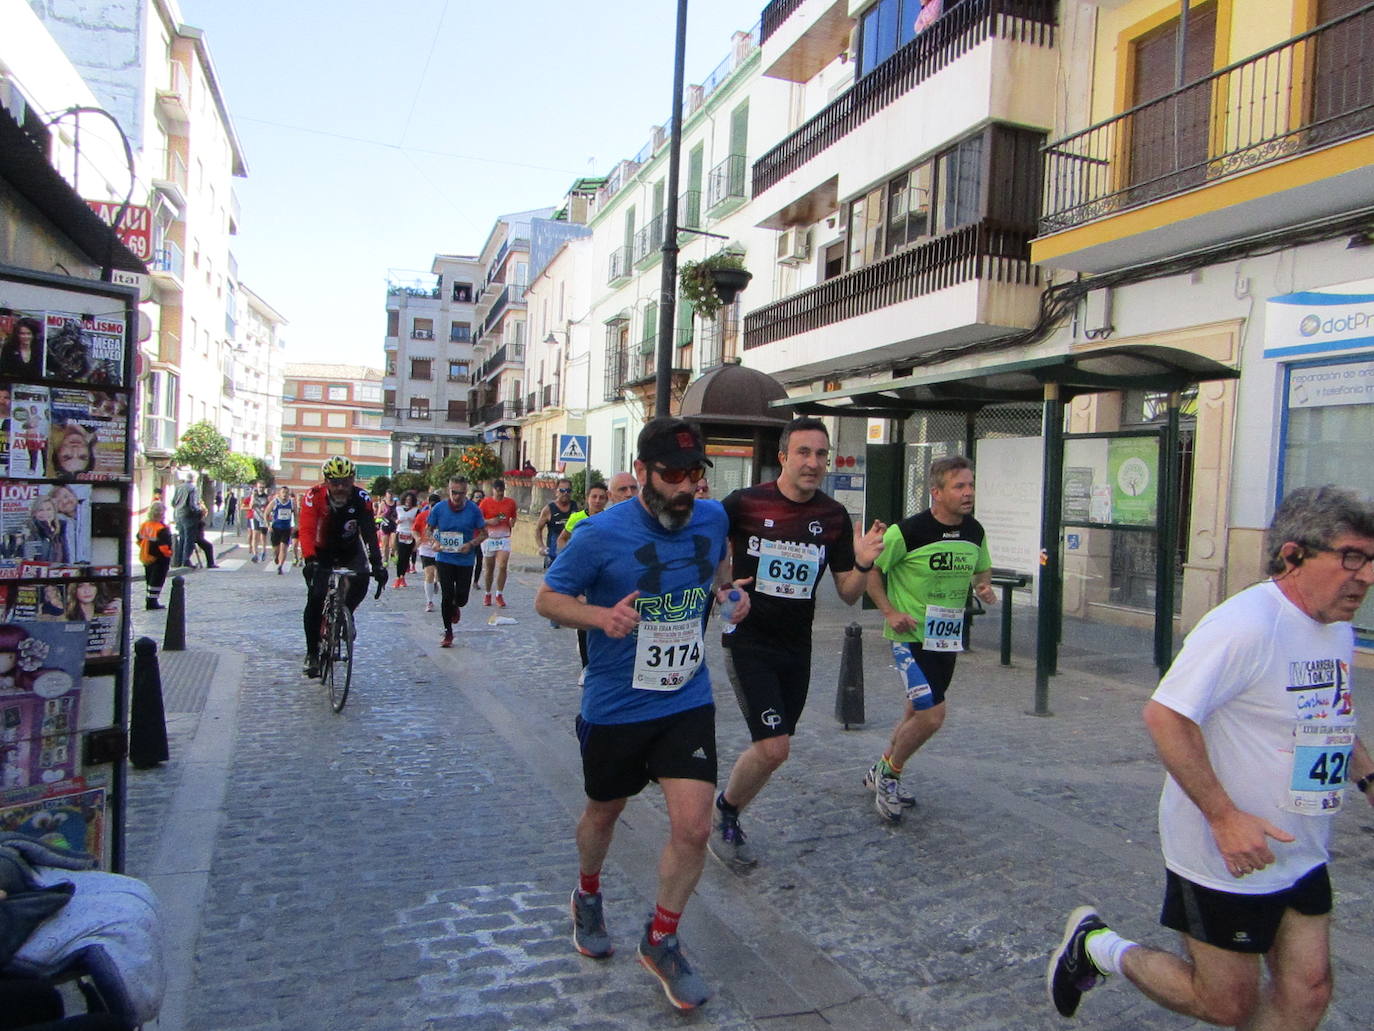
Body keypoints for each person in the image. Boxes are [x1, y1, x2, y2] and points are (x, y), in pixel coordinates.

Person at [1048, 485, 1374, 1028]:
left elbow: (1331, 714)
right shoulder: (1244, 625)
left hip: (1303, 845)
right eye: (1351, 559)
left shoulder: (1337, 628)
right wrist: (1224, 818)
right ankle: (1098, 947)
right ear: (1293, 556)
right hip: (1226, 853)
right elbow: (1166, 716)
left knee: (1310, 992)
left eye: (1371, 560)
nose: (1364, 576)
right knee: (1226, 1004)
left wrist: (1368, 776)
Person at [535, 418, 749, 1012]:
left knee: (694, 827)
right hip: (617, 702)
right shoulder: (599, 534)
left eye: (693, 475)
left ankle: (661, 938)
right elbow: (548, 598)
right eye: (672, 475)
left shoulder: (711, 518)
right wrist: (601, 617)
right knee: (605, 811)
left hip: (685, 696)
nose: (686, 488)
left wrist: (730, 594)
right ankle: (587, 893)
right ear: (646, 472)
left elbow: (719, 569)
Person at [709, 417, 887, 870]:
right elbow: (706, 546)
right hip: (748, 639)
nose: (813, 463)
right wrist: (724, 586)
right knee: (774, 747)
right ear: (784, 457)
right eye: (804, 453)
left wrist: (864, 562)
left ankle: (729, 809)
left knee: (778, 745)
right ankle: (726, 813)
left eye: (821, 454)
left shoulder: (832, 516)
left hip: (797, 647)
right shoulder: (745, 503)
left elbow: (848, 592)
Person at [863, 454, 997, 823]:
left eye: (971, 485)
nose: (968, 493)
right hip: (909, 637)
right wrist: (890, 612)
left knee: (915, 712)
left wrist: (983, 587)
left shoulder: (975, 531)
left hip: (945, 637)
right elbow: (871, 574)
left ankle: (879, 770)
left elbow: (981, 569)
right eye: (960, 486)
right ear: (936, 492)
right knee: (932, 715)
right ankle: (891, 775)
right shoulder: (906, 532)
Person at [297, 456, 387, 678]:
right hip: (322, 551)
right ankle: (312, 653)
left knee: (362, 580)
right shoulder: (314, 496)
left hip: (349, 549)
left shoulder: (361, 498)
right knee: (316, 598)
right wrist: (309, 559)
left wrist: (377, 563)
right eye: (334, 483)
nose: (340, 488)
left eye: (345, 482)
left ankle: (347, 614)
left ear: (352, 480)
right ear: (326, 482)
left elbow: (368, 533)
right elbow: (306, 529)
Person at [557, 481, 610, 679]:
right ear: (587, 498)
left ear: (607, 499)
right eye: (594, 496)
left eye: (601, 497)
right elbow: (562, 539)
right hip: (583, 572)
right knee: (583, 617)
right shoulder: (576, 518)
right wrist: (568, 556)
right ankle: (586, 667)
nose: (597, 501)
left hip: (604, 573)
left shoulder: (610, 518)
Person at [426, 476, 486, 647]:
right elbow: (428, 530)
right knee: (446, 594)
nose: (456, 497)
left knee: (461, 598)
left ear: (466, 492)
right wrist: (434, 542)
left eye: (460, 493)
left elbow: (484, 533)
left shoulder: (474, 510)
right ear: (448, 489)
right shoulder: (439, 508)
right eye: (453, 492)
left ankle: (456, 604)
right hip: (444, 558)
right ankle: (448, 632)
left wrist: (471, 544)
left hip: (465, 560)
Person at [478, 479, 518, 607]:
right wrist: (489, 521)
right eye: (498, 492)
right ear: (493, 490)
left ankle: (499, 594)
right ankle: (488, 593)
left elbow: (513, 516)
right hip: (489, 538)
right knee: (489, 568)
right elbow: (478, 521)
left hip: (504, 537)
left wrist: (513, 522)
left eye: (502, 492)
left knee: (502, 565)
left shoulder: (510, 503)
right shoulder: (485, 503)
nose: (500, 494)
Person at [138, 501, 174, 609]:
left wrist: (145, 548)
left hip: (146, 556)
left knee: (149, 578)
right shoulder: (161, 528)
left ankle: (149, 599)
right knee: (157, 580)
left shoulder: (145, 525)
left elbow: (139, 539)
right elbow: (164, 545)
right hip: (160, 558)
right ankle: (152, 601)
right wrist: (169, 554)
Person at [536, 478, 575, 569]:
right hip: (553, 555)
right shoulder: (549, 509)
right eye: (562, 490)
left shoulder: (576, 507)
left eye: (568, 490)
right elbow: (538, 529)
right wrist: (541, 546)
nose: (565, 493)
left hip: (571, 554)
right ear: (556, 491)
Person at [413, 491, 442, 612]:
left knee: (439, 574)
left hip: (440, 548)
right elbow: (414, 530)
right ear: (429, 505)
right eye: (432, 505)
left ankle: (437, 582)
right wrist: (417, 538)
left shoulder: (444, 516)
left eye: (436, 505)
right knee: (429, 572)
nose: (434, 508)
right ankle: (429, 601)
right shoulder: (422, 516)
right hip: (426, 548)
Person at [27, 496, 67, 565]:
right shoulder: (30, 532)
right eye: (40, 510)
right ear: (34, 513)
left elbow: (66, 557)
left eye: (49, 509)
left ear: (54, 512)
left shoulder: (60, 530)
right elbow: (28, 558)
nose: (45, 513)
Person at [169, 475, 198, 569]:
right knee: (189, 538)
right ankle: (186, 560)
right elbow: (192, 504)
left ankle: (179, 559)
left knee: (182, 538)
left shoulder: (179, 487)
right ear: (194, 479)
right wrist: (198, 511)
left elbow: (173, 502)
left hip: (178, 515)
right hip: (188, 515)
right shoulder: (193, 488)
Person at [393, 490, 420, 588]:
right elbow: (392, 517)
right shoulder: (398, 509)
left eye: (410, 500)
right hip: (400, 533)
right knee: (400, 557)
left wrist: (414, 521)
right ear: (404, 499)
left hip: (410, 534)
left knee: (406, 557)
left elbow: (419, 522)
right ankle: (397, 577)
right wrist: (397, 521)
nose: (408, 501)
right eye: (407, 499)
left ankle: (402, 576)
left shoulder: (416, 510)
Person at [267, 486, 295, 574]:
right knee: (276, 549)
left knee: (284, 548)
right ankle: (276, 556)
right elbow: (266, 514)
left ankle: (280, 566)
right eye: (283, 492)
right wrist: (268, 525)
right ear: (280, 493)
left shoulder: (292, 503)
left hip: (286, 528)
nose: (285, 494)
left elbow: (296, 514)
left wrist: (296, 525)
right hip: (276, 528)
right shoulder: (275, 502)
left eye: (287, 493)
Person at [247, 480, 270, 563]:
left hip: (264, 518)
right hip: (255, 517)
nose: (261, 489)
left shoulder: (266, 496)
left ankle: (263, 551)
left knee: (263, 536)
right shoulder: (254, 496)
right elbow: (250, 506)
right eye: (260, 487)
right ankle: (255, 554)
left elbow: (269, 506)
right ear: (257, 487)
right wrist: (253, 497)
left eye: (263, 487)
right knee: (255, 535)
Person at [468, 488, 486, 589]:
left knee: (479, 561)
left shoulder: (485, 508)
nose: (479, 499)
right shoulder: (469, 509)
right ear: (472, 498)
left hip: (482, 538)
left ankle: (476, 581)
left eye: (481, 497)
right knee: (470, 561)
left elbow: (500, 516)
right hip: (470, 538)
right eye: (477, 497)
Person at [377, 490, 399, 566]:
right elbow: (378, 515)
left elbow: (399, 512)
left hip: (394, 525)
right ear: (386, 495)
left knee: (393, 543)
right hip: (385, 524)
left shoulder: (396, 503)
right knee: (385, 544)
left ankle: (392, 554)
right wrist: (384, 513)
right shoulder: (382, 504)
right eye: (388, 495)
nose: (390, 496)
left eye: (391, 495)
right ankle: (385, 560)